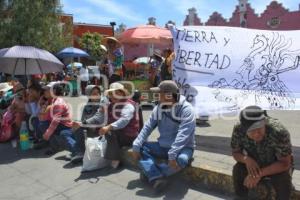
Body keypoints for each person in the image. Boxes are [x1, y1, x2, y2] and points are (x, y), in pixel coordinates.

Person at [132, 80, 196, 192]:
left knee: (182, 159)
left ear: (168, 95)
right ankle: (156, 176)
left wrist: (172, 154)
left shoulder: (186, 110)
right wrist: (136, 144)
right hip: (163, 145)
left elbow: (184, 134)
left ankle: (152, 174)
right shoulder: (159, 108)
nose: (156, 96)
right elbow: (148, 126)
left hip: (183, 148)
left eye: (159, 93)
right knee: (141, 147)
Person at [231, 106, 293, 200]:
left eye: (259, 128)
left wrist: (258, 174)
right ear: (244, 129)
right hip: (255, 163)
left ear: (264, 122)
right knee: (238, 169)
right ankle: (241, 197)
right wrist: (246, 159)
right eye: (252, 130)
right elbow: (236, 152)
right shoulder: (238, 130)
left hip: (276, 166)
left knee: (283, 179)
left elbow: (285, 163)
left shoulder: (278, 132)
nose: (257, 133)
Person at [81, 82, 140, 169]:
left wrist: (109, 127)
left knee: (109, 132)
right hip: (119, 133)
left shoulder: (128, 105)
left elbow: (124, 120)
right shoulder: (110, 105)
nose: (114, 96)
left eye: (117, 93)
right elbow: (99, 116)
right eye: (111, 93)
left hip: (129, 135)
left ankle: (115, 158)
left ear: (122, 93)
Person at [41, 82, 83, 162]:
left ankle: (78, 152)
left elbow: (55, 121)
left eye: (47, 90)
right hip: (60, 125)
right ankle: (55, 147)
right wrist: (42, 105)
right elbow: (41, 117)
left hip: (66, 127)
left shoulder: (58, 103)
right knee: (43, 124)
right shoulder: (50, 101)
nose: (44, 92)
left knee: (63, 134)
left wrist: (47, 134)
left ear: (54, 91)